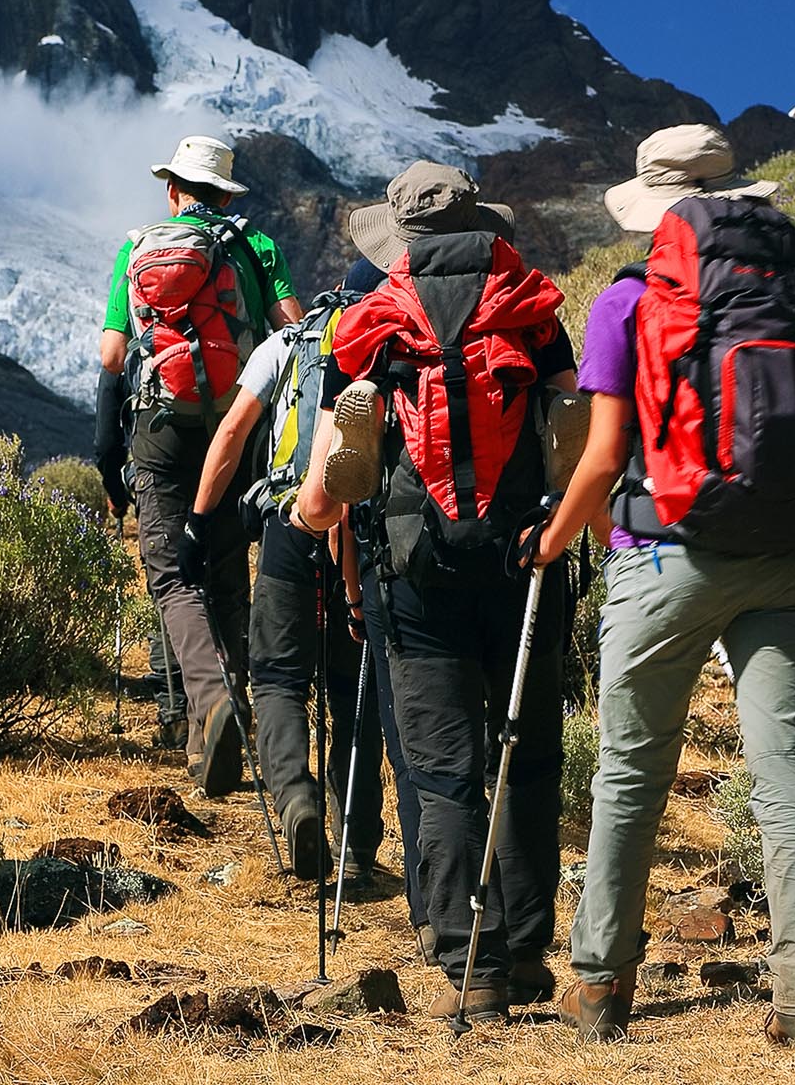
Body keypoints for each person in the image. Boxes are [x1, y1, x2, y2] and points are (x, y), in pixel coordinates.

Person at [531, 124, 795, 1048]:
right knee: (787, 772)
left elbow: (607, 451)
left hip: (663, 558)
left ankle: (601, 985)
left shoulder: (627, 302)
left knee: (631, 770)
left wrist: (551, 539)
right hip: (790, 557)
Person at [294, 161, 578, 1027]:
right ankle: (527, 948)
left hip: (413, 571)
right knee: (526, 756)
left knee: (444, 772)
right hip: (527, 559)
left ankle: (471, 966)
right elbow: (572, 437)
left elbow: (317, 504)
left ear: (401, 238)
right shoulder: (534, 312)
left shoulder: (372, 326)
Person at [97, 135, 304, 793]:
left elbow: (110, 358)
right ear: (224, 194)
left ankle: (207, 707)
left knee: (169, 579)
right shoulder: (255, 247)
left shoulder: (137, 248)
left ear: (173, 191)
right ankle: (222, 732)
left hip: (159, 429)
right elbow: (296, 334)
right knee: (221, 571)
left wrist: (107, 456)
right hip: (233, 431)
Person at [190, 260, 391, 881]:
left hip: (290, 524)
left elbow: (232, 430)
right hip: (363, 532)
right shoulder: (391, 344)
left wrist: (200, 518)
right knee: (351, 683)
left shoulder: (291, 340)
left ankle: (295, 799)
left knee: (278, 677)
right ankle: (356, 845)